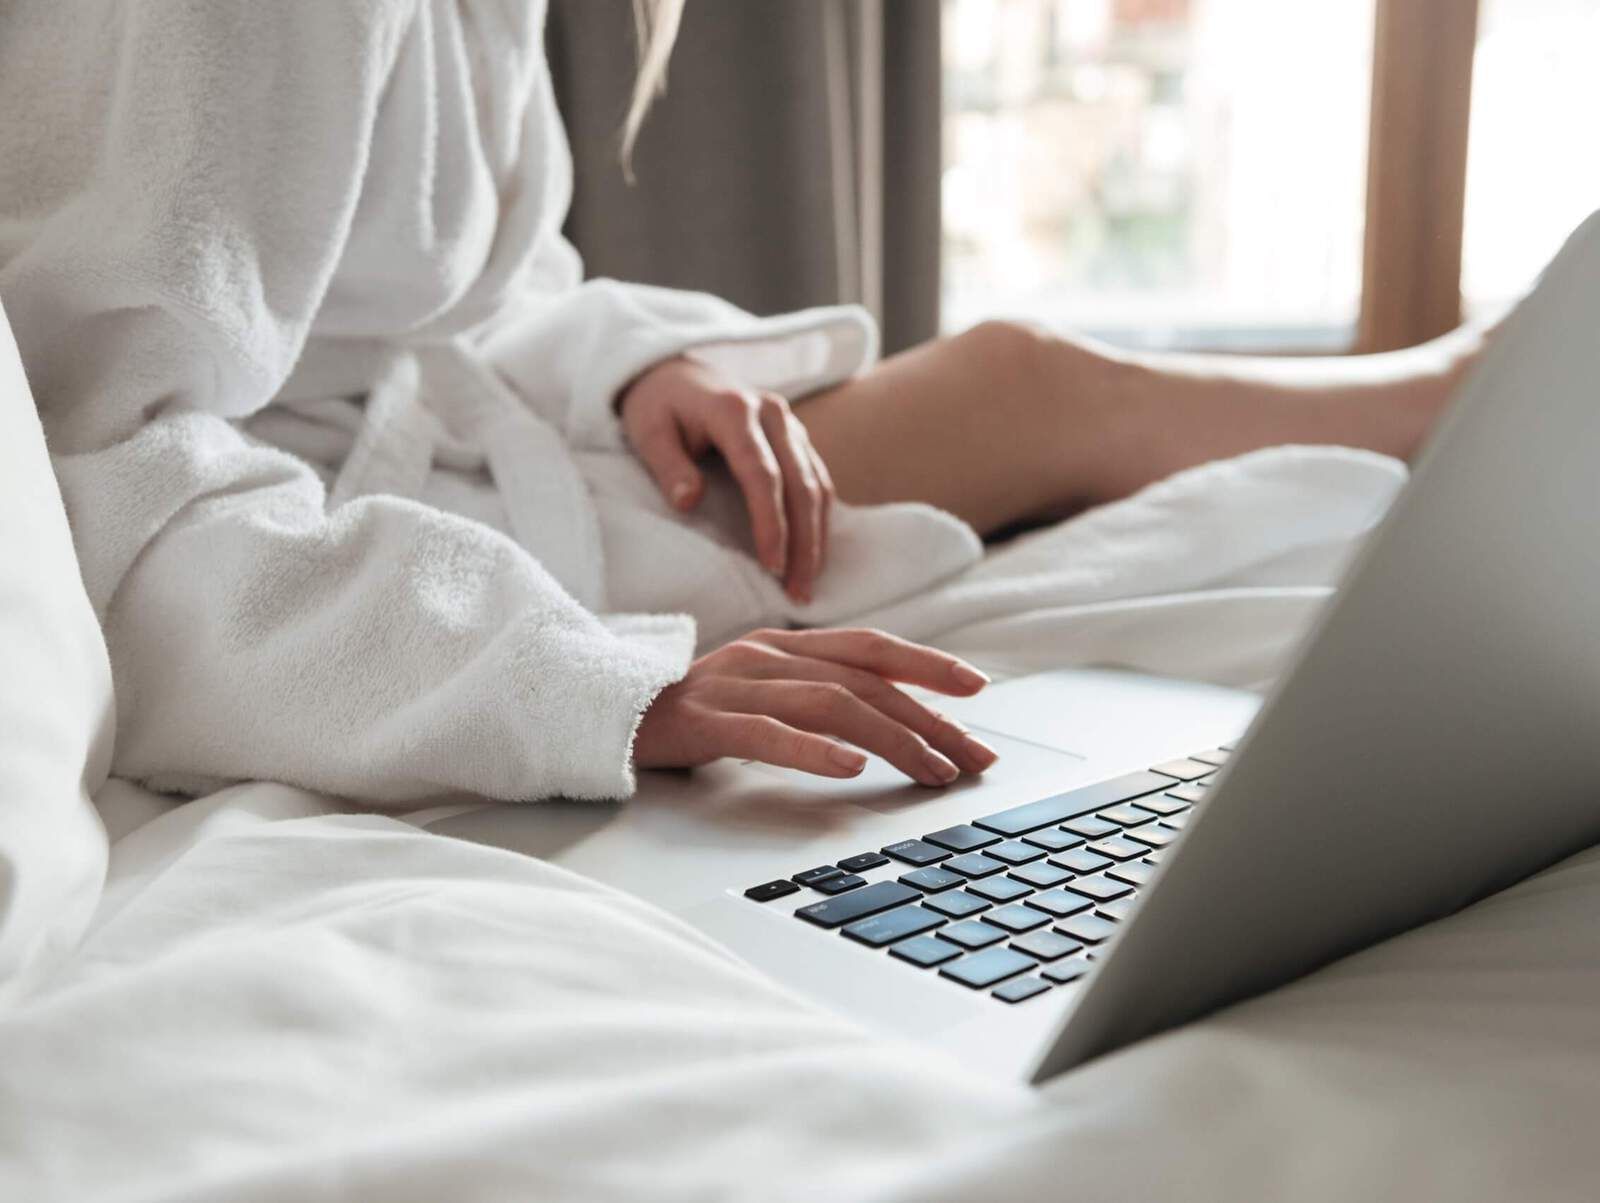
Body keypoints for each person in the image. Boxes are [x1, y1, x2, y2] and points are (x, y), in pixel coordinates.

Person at [0, 0, 1486, 806]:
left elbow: (470, 289)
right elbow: (89, 482)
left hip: (465, 446)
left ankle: (1462, 406)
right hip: (343, 560)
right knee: (1022, 387)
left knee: (1022, 395)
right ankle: (1459, 403)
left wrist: (637, 364)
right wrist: (585, 687)